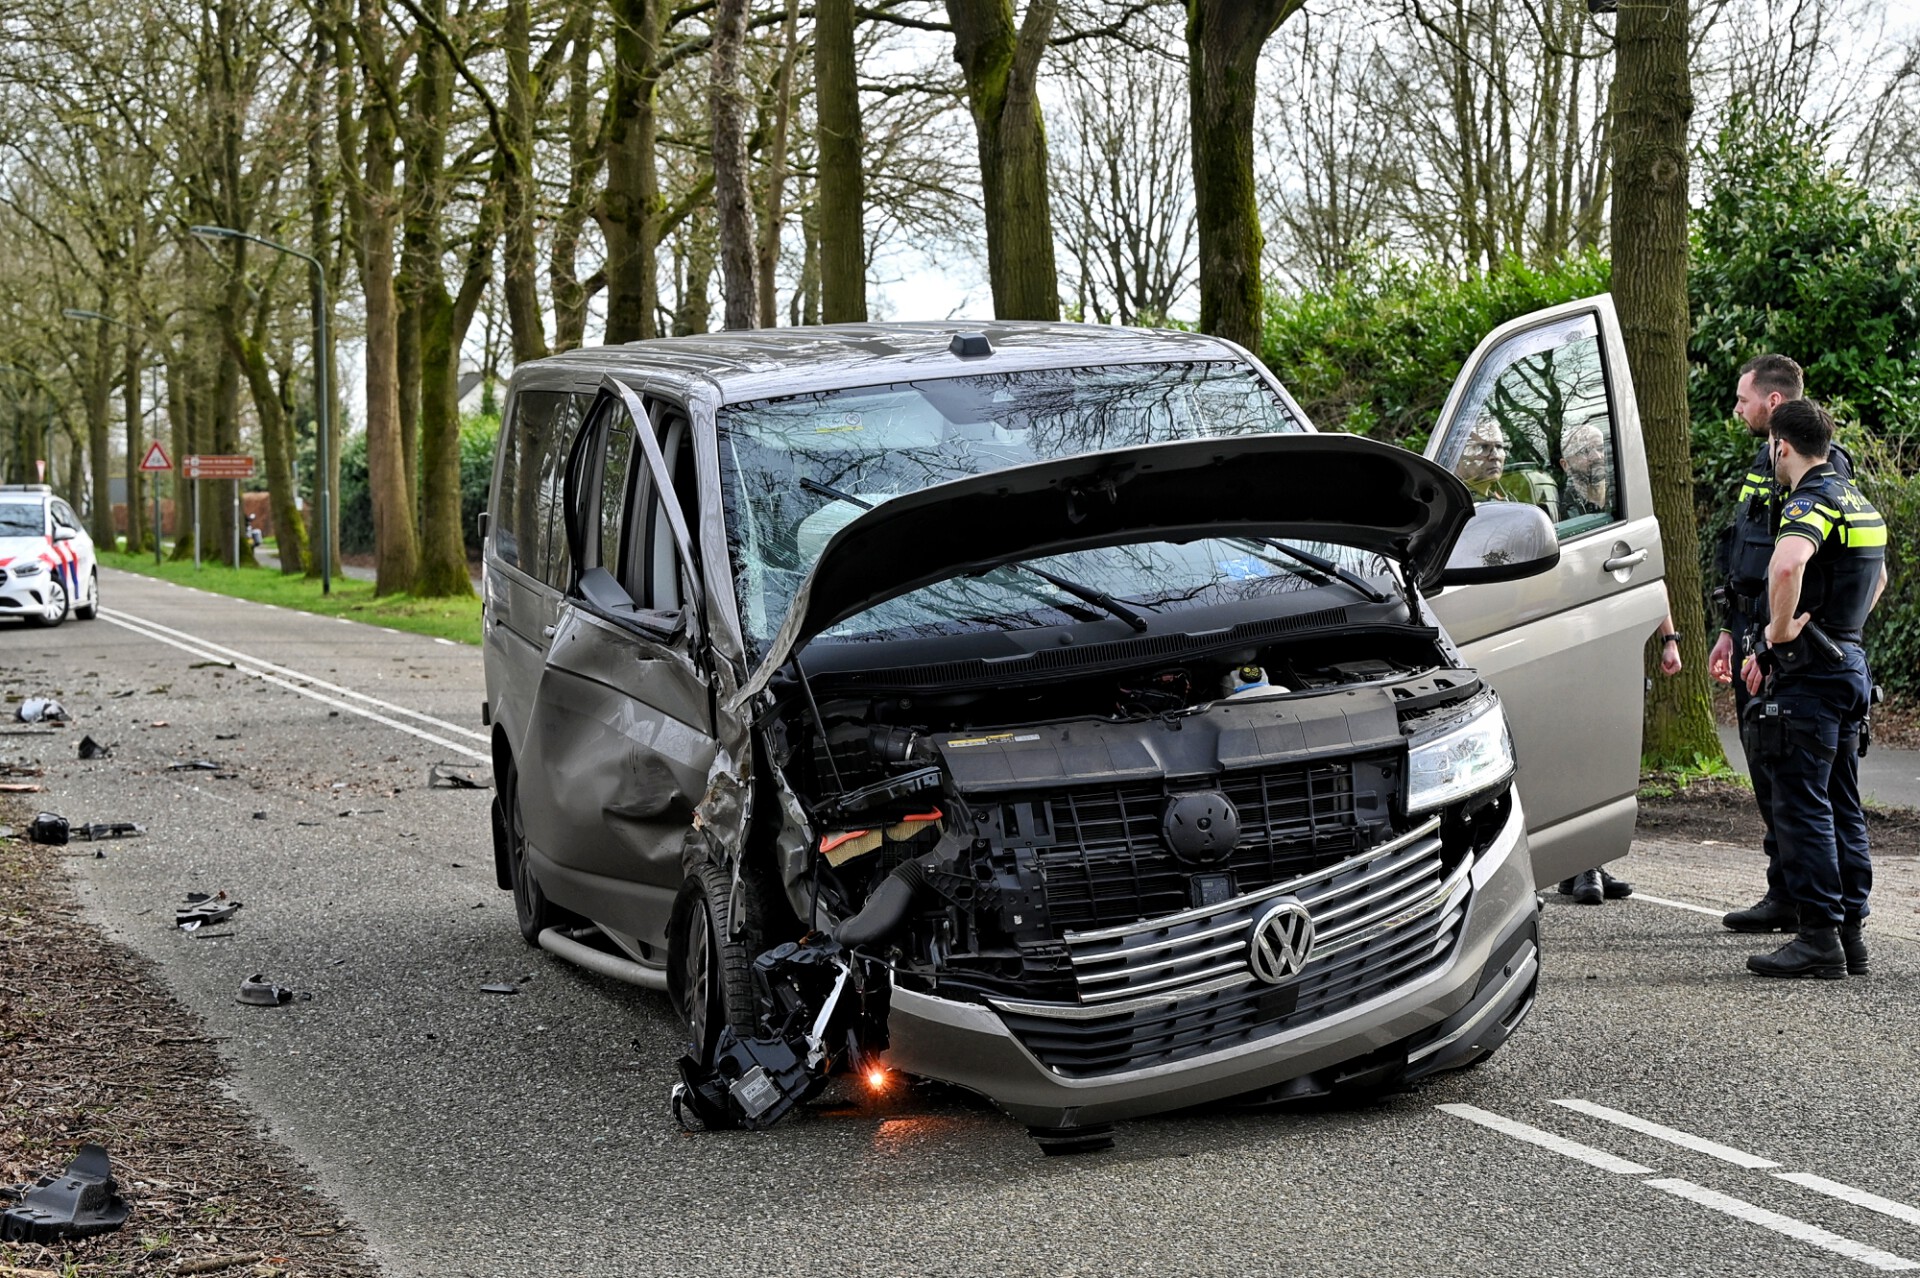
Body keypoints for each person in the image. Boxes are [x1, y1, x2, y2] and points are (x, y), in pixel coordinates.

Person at [1740, 399, 1885, 979]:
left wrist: (1778, 633)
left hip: (1812, 677)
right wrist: (1843, 629)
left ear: (1781, 445)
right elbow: (1881, 577)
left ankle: (1818, 936)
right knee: (1843, 801)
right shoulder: (1857, 499)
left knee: (1802, 805)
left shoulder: (1810, 500)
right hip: (1849, 664)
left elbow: (1784, 566)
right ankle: (1851, 934)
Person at [1706, 355, 1852, 934]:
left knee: (1792, 773)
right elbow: (1740, 549)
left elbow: (1806, 567)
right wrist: (1726, 630)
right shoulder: (1763, 463)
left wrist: (1776, 642)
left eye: (1743, 400)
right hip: (1747, 630)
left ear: (1772, 404)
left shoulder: (1819, 469)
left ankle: (1819, 908)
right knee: (1767, 768)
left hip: (1782, 642)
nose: (1735, 409)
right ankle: (1785, 891)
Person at [1558, 603, 1682, 903]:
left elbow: (1652, 580)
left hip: (1615, 645)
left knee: (1607, 757)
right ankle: (1582, 865)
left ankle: (1587, 864)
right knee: (1581, 754)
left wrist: (1669, 639)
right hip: (1568, 642)